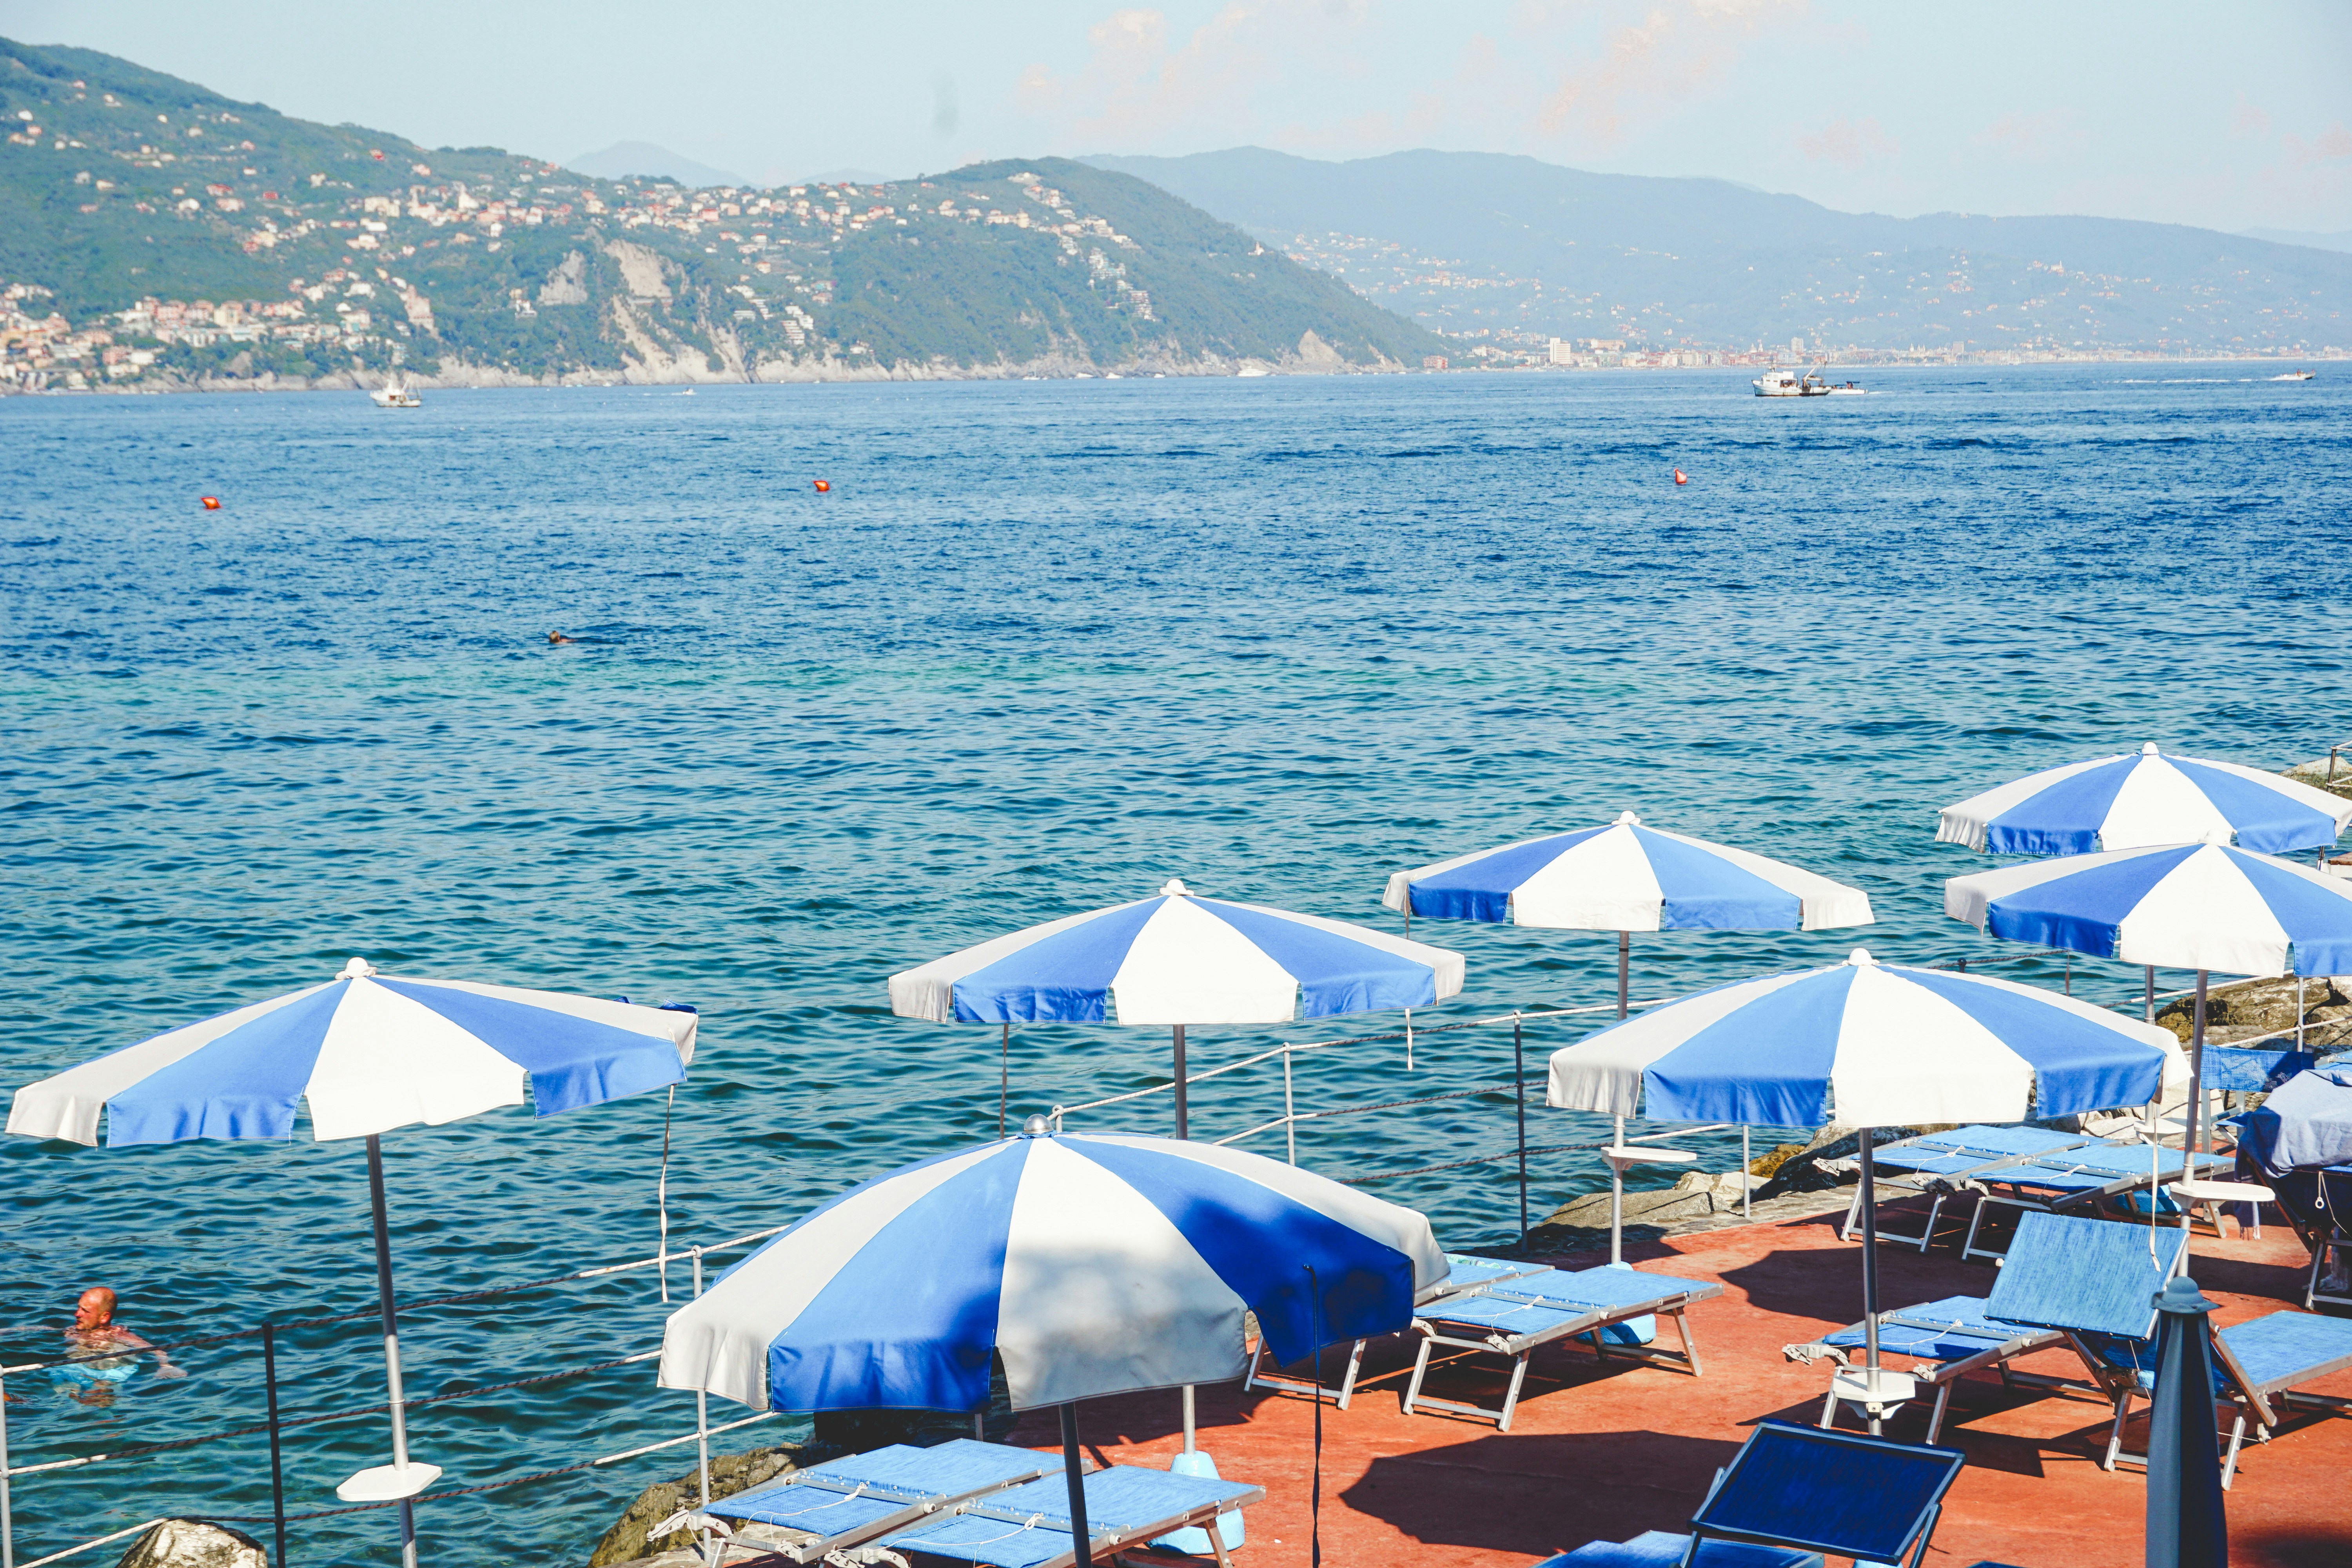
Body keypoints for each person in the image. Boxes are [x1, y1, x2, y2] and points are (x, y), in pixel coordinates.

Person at [56, 1287, 184, 1405]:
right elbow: (52, 1330)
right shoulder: (73, 1331)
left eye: (85, 1311)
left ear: (104, 1317)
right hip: (76, 1370)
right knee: (62, 1392)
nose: (77, 1314)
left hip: (109, 1375)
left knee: (100, 1400)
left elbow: (155, 1350)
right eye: (79, 1308)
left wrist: (165, 1366)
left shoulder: (119, 1335)